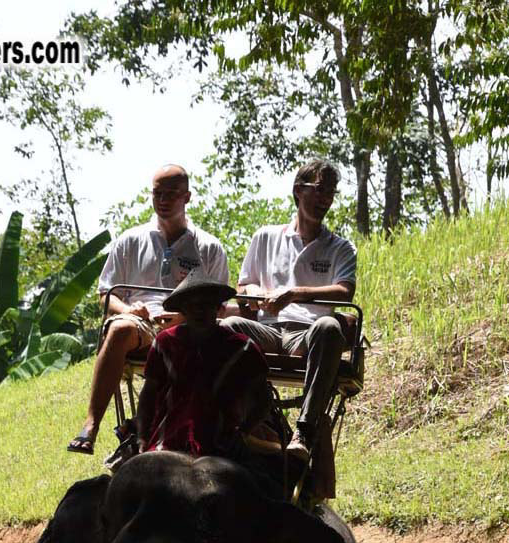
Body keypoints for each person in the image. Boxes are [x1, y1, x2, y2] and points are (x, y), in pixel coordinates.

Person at [67, 164, 230, 455]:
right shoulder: (130, 241)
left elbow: (218, 304)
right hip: (141, 324)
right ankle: (91, 425)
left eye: (171, 194)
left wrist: (184, 316)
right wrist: (130, 309)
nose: (163, 201)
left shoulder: (207, 247)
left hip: (189, 327)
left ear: (187, 197)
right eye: (158, 194)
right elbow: (106, 294)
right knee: (119, 328)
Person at [223, 159, 357, 495]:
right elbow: (247, 284)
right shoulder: (266, 237)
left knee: (328, 326)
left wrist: (295, 293)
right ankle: (239, 416)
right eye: (318, 189)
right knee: (228, 326)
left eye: (330, 191)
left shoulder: (340, 247)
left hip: (308, 330)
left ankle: (305, 430)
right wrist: (255, 295)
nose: (324, 197)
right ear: (298, 191)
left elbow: (344, 291)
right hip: (269, 328)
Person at [136, 273, 279, 484]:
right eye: (192, 305)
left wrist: (243, 433)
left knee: (263, 492)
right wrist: (141, 437)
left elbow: (263, 398)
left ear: (218, 308)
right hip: (166, 440)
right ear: (182, 310)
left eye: (206, 304)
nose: (199, 310)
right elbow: (148, 393)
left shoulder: (243, 347)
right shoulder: (164, 342)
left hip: (222, 442)